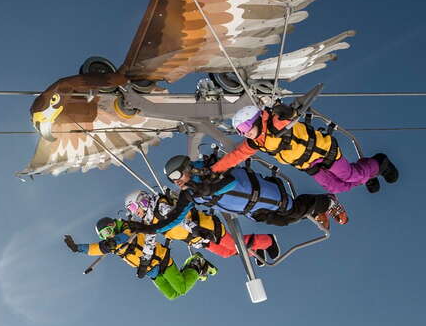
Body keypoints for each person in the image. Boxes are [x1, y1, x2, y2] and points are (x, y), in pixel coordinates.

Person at [214, 103, 398, 194]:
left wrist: (286, 111)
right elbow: (235, 156)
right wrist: (214, 170)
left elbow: (290, 115)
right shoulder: (256, 142)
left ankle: (381, 163)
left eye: (245, 128)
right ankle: (368, 176)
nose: (245, 134)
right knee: (336, 187)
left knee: (350, 175)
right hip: (308, 165)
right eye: (240, 132)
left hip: (324, 152)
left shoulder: (274, 123)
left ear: (255, 119)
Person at [136, 155, 347, 233]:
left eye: (177, 175)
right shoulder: (189, 195)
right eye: (172, 180)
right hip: (254, 209)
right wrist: (151, 228)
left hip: (266, 193)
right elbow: (176, 216)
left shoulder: (212, 168)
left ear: (187, 167)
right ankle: (318, 209)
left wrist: (208, 188)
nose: (177, 181)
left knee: (292, 210)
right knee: (284, 222)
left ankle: (327, 202)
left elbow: (230, 182)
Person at [63, 216, 213, 301]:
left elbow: (125, 235)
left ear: (113, 225)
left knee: (181, 289)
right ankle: (189, 269)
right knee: (172, 295)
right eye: (103, 235)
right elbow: (96, 248)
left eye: (108, 231)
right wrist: (77, 248)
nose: (107, 236)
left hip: (161, 260)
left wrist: (114, 241)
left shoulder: (128, 227)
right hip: (149, 272)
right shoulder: (111, 244)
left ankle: (196, 264)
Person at [124, 189, 278, 264]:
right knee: (226, 252)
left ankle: (268, 240)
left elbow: (178, 219)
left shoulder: (161, 207)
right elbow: (149, 242)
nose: (136, 212)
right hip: (198, 239)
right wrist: (145, 261)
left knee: (236, 245)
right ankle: (255, 251)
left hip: (205, 228)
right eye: (132, 210)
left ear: (143, 201)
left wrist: (195, 228)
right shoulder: (150, 224)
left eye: (135, 207)